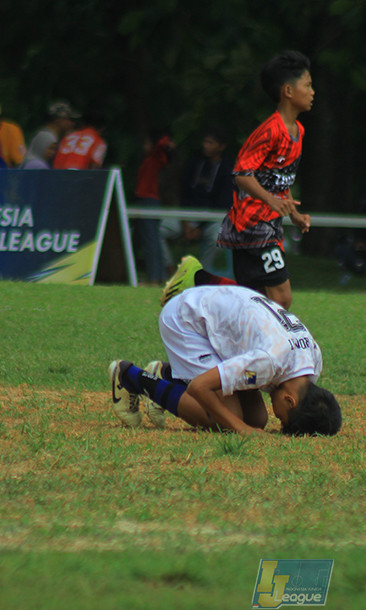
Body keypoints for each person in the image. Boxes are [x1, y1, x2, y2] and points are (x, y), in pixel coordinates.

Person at [163, 50, 314, 311]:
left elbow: (278, 178)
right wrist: (271, 201)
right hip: (253, 224)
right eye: (308, 85)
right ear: (288, 91)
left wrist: (294, 213)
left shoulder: (297, 131)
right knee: (281, 298)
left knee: (254, 298)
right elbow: (243, 174)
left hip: (268, 224)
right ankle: (197, 280)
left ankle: (196, 279)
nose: (312, 92)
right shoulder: (269, 131)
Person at [109, 285, 340, 436]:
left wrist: (248, 427)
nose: (277, 418)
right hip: (187, 318)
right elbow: (200, 387)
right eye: (282, 419)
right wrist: (240, 429)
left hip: (219, 324)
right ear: (290, 400)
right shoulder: (269, 361)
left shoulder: (312, 361)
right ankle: (131, 376)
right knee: (226, 421)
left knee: (256, 420)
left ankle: (169, 376)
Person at [161, 127, 234, 276]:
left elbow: (223, 204)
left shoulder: (227, 169)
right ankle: (169, 268)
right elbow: (184, 194)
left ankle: (201, 274)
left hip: (212, 220)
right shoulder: (195, 163)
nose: (205, 146)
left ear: (221, 146)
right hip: (187, 217)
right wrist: (186, 223)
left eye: (211, 143)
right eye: (205, 142)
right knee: (157, 229)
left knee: (217, 238)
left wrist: (200, 228)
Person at [133, 128, 174, 283]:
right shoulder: (151, 159)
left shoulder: (156, 157)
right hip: (144, 200)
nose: (144, 146)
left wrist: (164, 140)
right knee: (151, 239)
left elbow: (161, 144)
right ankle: (158, 275)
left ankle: (154, 277)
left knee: (151, 241)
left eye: (147, 143)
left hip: (148, 201)